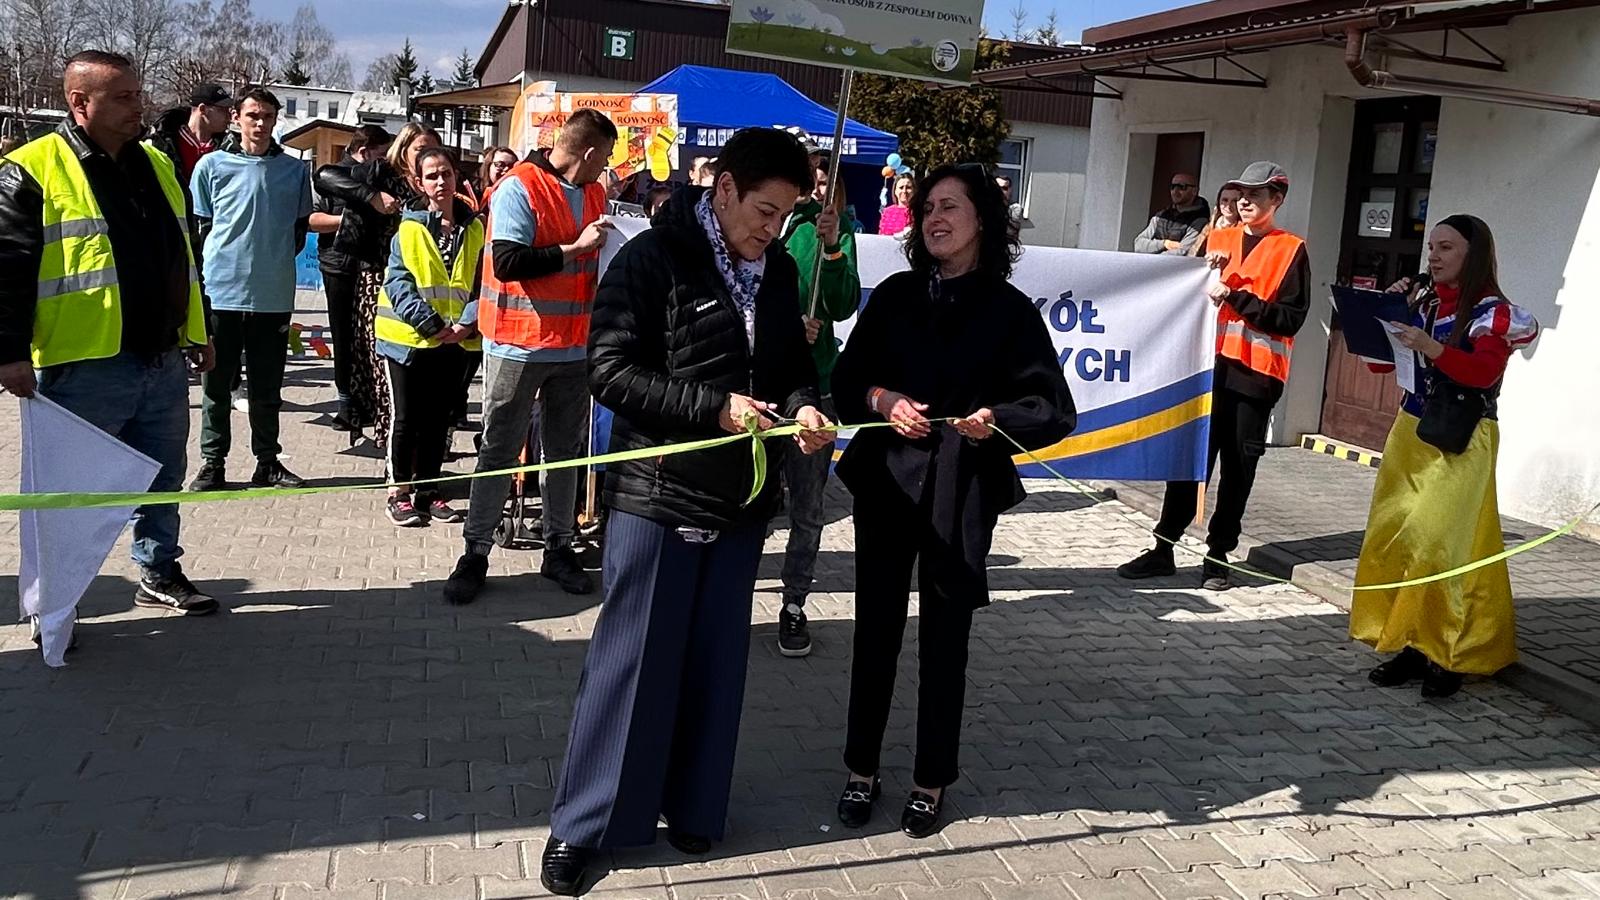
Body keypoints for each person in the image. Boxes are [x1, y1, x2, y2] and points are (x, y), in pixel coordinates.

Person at [538, 127, 831, 896]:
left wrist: (805, 407)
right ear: (725, 187)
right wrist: (713, 408)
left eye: (785, 217)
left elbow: (792, 367)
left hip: (741, 499)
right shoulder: (650, 259)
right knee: (632, 665)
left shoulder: (775, 274)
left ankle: (697, 804)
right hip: (657, 493)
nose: (773, 230)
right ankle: (586, 824)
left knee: (715, 661)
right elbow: (608, 371)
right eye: (765, 211)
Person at [829, 164, 1076, 838]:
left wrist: (995, 418)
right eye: (928, 208)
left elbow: (1053, 408)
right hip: (888, 480)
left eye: (949, 207)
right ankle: (860, 769)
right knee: (875, 631)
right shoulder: (897, 295)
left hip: (961, 488)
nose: (934, 219)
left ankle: (931, 780)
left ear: (982, 221)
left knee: (945, 641)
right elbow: (847, 381)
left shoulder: (1010, 311)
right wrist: (883, 400)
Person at [0, 50, 217, 616]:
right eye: (123, 97)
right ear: (80, 102)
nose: (137, 106)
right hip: (84, 363)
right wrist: (9, 353)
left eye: (137, 94)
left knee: (163, 478)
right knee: (75, 491)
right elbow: (6, 271)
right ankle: (58, 603)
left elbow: (182, 256)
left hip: (161, 357)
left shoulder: (158, 164)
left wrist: (198, 330)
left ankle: (158, 571)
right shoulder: (31, 167)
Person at [1353, 215, 1539, 698]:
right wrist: (1389, 312)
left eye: (1446, 248)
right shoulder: (1425, 302)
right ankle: (1412, 643)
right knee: (1400, 538)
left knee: (1441, 546)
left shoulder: (1494, 313)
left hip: (1462, 438)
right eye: (1431, 247)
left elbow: (1482, 373)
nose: (1433, 256)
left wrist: (1431, 346)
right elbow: (1381, 365)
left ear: (1472, 255)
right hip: (1410, 432)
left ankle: (1448, 654)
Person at [441, 108, 616, 604]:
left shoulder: (594, 192)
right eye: (604, 156)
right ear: (587, 152)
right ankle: (475, 552)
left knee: (564, 452)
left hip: (574, 345)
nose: (606, 166)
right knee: (499, 449)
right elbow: (509, 261)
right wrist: (575, 247)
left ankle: (559, 546)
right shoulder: (519, 187)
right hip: (517, 344)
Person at [1118, 161, 1311, 590]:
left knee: (1238, 472)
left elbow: (1290, 319)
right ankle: (1163, 547)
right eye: (1242, 194)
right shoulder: (1216, 240)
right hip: (1205, 373)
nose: (1245, 201)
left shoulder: (1291, 249)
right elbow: (1182, 295)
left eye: (1256, 194)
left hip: (1254, 379)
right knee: (1188, 465)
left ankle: (1218, 556)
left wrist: (1236, 296)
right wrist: (1201, 268)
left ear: (1276, 199)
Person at [186, 88, 312, 492]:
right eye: (253, 115)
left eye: (268, 116)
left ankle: (268, 462)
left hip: (272, 296)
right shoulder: (210, 166)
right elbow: (202, 227)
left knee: (267, 387)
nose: (260, 123)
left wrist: (270, 261)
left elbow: (297, 232)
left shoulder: (295, 172)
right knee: (216, 384)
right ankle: (212, 463)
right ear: (236, 118)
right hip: (221, 291)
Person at [773, 164, 861, 657]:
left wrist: (832, 249)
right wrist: (788, 324)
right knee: (753, 499)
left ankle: (794, 602)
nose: (821, 189)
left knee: (808, 506)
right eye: (814, 180)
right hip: (766, 385)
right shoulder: (780, 224)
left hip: (817, 385)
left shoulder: (840, 233)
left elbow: (843, 303)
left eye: (830, 181)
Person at [314, 122, 441, 449]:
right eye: (419, 149)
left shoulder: (433, 182)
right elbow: (325, 175)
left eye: (430, 149)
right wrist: (371, 196)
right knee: (385, 364)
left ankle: (421, 445)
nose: (425, 156)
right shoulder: (381, 173)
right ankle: (391, 442)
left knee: (424, 367)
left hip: (422, 284)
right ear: (404, 150)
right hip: (378, 280)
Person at [375, 147, 482, 527]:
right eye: (432, 176)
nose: (440, 182)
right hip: (408, 340)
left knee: (439, 420)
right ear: (419, 183)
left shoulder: (476, 228)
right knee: (407, 419)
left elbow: (482, 283)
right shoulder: (409, 228)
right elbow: (399, 284)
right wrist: (431, 324)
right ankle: (398, 492)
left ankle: (429, 489)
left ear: (456, 178)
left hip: (455, 341)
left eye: (446, 174)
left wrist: (467, 322)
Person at [310, 124, 392, 432]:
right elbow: (312, 220)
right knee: (343, 336)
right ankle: (346, 403)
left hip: (373, 266)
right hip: (340, 266)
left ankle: (372, 398)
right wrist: (350, 217)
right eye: (381, 155)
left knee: (371, 336)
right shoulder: (334, 175)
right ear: (365, 152)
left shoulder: (382, 179)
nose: (385, 162)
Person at [1132, 172, 1209, 255]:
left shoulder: (1200, 220)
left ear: (1194, 191)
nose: (1175, 191)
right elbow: (1138, 245)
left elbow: (1184, 252)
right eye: (1173, 187)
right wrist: (1164, 244)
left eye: (1182, 187)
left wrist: (1154, 255)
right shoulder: (1160, 216)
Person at [1190, 184, 1242, 256]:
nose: (1229, 206)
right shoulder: (1211, 227)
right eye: (1225, 200)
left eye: (1234, 201)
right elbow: (1194, 253)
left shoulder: (1245, 229)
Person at [878, 173, 915, 237]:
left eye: (908, 187)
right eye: (901, 187)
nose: (904, 191)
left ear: (914, 190)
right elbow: (881, 235)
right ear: (895, 191)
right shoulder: (887, 212)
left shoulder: (919, 212)